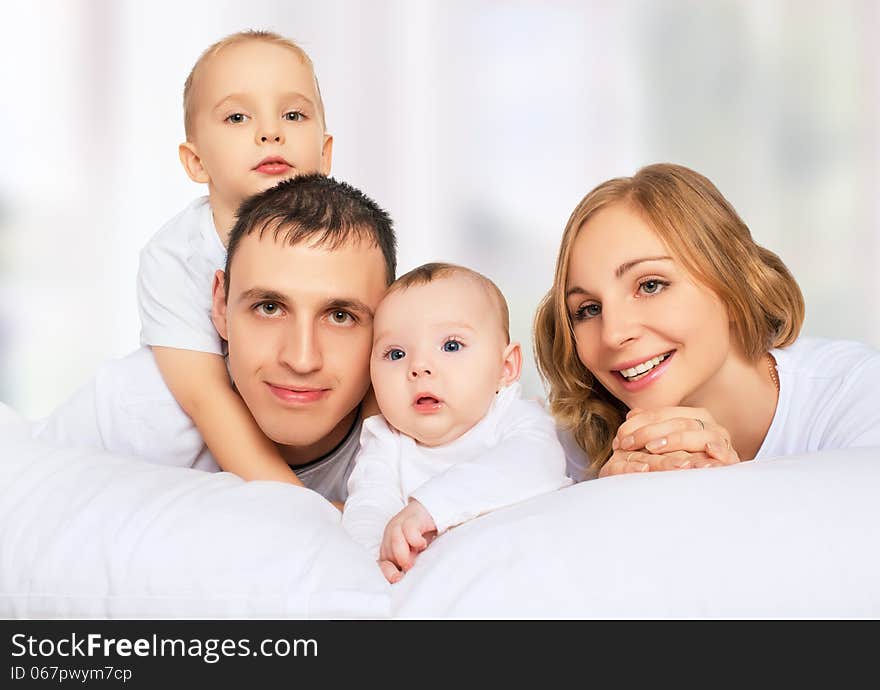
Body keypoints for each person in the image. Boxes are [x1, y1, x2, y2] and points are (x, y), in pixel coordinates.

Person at [34, 174, 396, 507]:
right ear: (220, 305)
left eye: (340, 316)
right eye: (269, 308)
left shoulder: (427, 422)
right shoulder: (135, 406)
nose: (301, 359)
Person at [533, 162, 880, 480]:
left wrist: (725, 487)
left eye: (650, 285)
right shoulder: (561, 448)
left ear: (732, 279)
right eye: (588, 309)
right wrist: (611, 500)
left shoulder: (856, 393)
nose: (613, 334)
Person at [138, 30, 334, 487]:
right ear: (196, 162)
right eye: (238, 117)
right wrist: (307, 508)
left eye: (292, 113)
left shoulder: (347, 242)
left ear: (324, 153)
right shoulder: (175, 258)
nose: (271, 132)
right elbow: (208, 400)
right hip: (150, 429)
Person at [343, 263, 572, 583]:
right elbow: (368, 507)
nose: (419, 366)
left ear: (505, 367)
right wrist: (373, 562)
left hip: (527, 569)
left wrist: (430, 507)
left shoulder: (514, 417)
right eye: (395, 354)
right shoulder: (386, 439)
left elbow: (537, 463)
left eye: (451, 346)